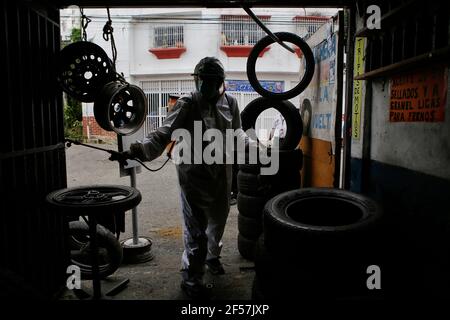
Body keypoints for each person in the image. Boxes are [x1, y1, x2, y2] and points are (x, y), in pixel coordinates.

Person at [121, 57, 244, 299]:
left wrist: (249, 160)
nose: (204, 84)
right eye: (201, 80)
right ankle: (191, 278)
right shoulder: (188, 103)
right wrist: (138, 149)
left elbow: (238, 135)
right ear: (196, 80)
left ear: (220, 82)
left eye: (210, 80)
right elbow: (164, 132)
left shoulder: (231, 103)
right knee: (195, 230)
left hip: (222, 173)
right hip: (193, 175)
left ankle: (212, 258)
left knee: (218, 221)